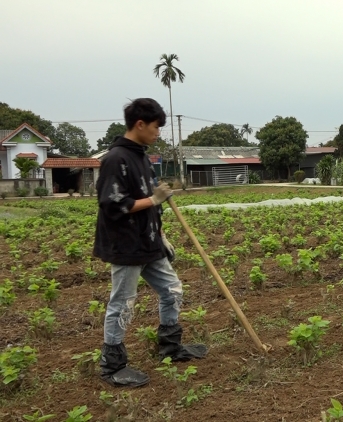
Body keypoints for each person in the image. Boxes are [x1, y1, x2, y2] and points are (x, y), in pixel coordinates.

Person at [94, 98, 207, 388]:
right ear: (140, 124)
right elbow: (113, 204)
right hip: (127, 245)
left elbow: (151, 204)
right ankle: (113, 366)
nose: (159, 133)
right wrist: (153, 199)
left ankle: (170, 346)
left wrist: (162, 233)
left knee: (172, 290)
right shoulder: (115, 159)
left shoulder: (142, 157)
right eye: (156, 127)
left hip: (150, 241)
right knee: (123, 304)